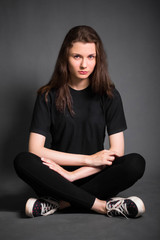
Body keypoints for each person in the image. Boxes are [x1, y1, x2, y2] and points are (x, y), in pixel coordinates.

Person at [14, 25, 146, 218]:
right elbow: (35, 149)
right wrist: (85, 160)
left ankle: (59, 204)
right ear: (65, 58)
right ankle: (102, 206)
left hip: (95, 177)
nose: (84, 65)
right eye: (77, 57)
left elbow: (116, 152)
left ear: (97, 58)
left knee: (135, 163)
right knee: (23, 160)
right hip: (55, 178)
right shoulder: (47, 95)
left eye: (91, 57)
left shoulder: (110, 95)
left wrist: (75, 174)